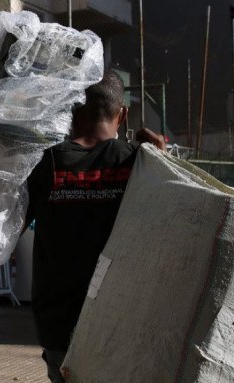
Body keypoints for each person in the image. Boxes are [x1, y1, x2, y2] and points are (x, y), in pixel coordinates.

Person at [24, 71, 165, 382]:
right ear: (123, 114)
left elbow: (6, 229)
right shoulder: (139, 162)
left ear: (73, 110)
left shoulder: (45, 163)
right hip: (122, 324)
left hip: (59, 325)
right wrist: (160, 159)